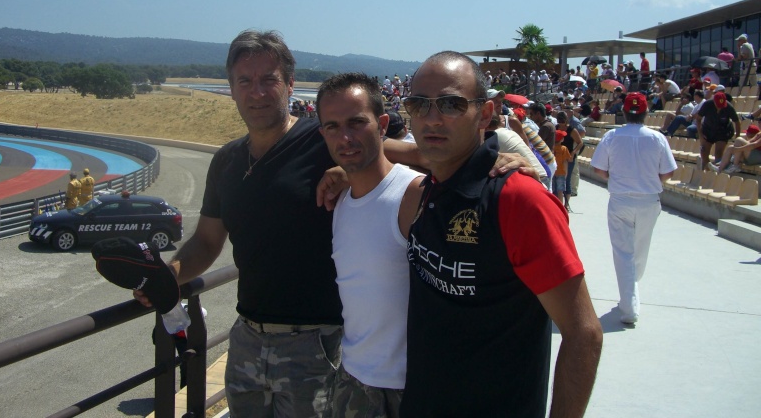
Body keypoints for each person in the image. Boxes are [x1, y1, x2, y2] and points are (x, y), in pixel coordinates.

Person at [133, 30, 528, 417]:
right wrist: (171, 275)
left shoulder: (323, 138)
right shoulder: (226, 162)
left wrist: (494, 162)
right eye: (245, 81)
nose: (257, 92)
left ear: (289, 85)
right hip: (247, 340)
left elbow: (420, 154)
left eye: (269, 79)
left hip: (317, 345)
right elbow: (206, 240)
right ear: (232, 89)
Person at [399, 51, 602, 418]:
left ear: (486, 114)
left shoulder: (520, 201)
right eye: (419, 104)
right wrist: (340, 172)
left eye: (451, 104)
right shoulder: (427, 190)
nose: (432, 118)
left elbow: (583, 333)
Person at [316, 73, 423, 417]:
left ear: (382, 125)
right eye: (331, 127)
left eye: (356, 123)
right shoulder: (341, 200)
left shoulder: (414, 195)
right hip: (352, 380)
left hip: (410, 388)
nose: (344, 137)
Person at [591, 92, 676, 324]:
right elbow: (668, 171)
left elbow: (598, 168)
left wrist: (614, 177)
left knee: (623, 252)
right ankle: (630, 298)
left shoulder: (612, 136)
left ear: (624, 112)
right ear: (646, 112)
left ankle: (629, 301)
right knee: (640, 250)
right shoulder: (657, 138)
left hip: (621, 199)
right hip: (649, 199)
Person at [696, 91, 741, 170]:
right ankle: (707, 170)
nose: (720, 108)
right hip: (708, 129)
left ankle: (718, 171)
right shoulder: (707, 105)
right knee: (704, 151)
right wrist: (700, 135)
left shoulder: (728, 107)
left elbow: (737, 122)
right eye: (718, 105)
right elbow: (698, 119)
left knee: (718, 152)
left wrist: (737, 137)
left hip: (723, 131)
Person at [552, 130, 573, 208]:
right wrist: (566, 173)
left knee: (553, 190)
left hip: (553, 172)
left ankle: (553, 206)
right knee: (560, 191)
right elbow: (565, 162)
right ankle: (560, 207)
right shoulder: (564, 148)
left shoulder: (551, 147)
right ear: (561, 139)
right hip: (561, 172)